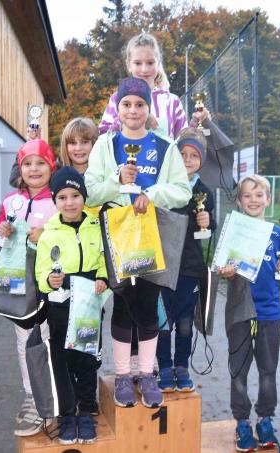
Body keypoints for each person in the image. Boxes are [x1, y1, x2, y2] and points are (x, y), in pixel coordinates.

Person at [85, 76, 191, 408]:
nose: (133, 110)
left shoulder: (164, 147)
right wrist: (117, 180)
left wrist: (153, 194)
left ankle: (146, 374)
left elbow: (182, 191)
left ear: (148, 108)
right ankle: (122, 375)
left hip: (150, 233)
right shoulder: (106, 144)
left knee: (147, 305)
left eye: (140, 104)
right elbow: (89, 190)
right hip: (116, 233)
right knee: (122, 305)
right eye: (127, 104)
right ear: (118, 108)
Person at [217, 175, 280, 451]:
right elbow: (220, 266)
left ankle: (265, 418)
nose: (253, 200)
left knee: (268, 370)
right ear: (239, 201)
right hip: (239, 310)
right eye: (247, 196)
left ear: (268, 199)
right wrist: (225, 271)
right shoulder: (232, 230)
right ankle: (241, 422)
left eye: (258, 195)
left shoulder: (278, 233)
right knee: (238, 371)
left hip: (269, 311)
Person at [35, 167, 108, 445]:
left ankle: (87, 411)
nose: (70, 202)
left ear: (84, 196)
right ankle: (67, 414)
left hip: (89, 301)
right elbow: (41, 274)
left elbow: (105, 259)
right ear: (55, 201)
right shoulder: (49, 233)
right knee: (62, 361)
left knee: (87, 359)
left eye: (75, 195)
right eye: (62, 197)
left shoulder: (96, 225)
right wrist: (49, 280)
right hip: (59, 305)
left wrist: (103, 277)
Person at [0, 139, 58, 436]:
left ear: (51, 167)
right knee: (24, 340)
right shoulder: (10, 201)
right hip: (19, 283)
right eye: (27, 163)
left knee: (49, 339)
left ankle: (55, 399)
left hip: (50, 281)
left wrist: (47, 233)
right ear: (19, 168)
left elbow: (70, 230)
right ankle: (32, 397)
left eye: (41, 162)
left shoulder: (58, 198)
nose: (34, 169)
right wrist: (2, 230)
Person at [155, 128, 215, 393]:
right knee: (163, 320)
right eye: (183, 154)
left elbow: (209, 231)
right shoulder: (164, 186)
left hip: (190, 268)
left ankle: (182, 366)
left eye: (194, 155)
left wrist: (207, 222)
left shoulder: (205, 193)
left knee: (185, 322)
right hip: (163, 265)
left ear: (201, 160)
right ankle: (164, 366)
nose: (188, 159)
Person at [99, 33, 187, 140]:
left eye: (150, 63)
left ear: (158, 63)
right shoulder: (117, 99)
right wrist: (126, 122)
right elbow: (102, 135)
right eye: (138, 63)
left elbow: (183, 141)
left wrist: (200, 123)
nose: (144, 69)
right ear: (128, 65)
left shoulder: (172, 101)